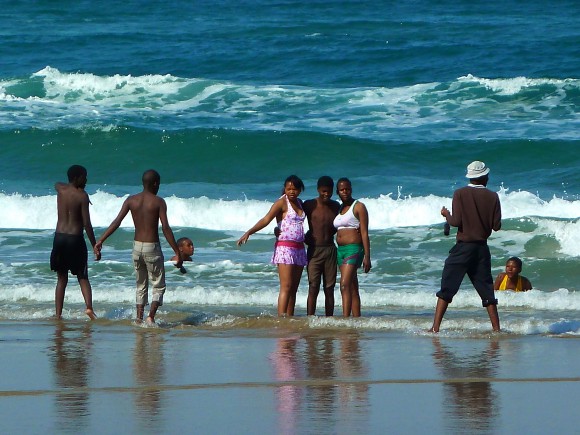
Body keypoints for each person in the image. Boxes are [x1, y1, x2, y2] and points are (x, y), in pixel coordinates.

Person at [94, 169, 182, 325]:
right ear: (155, 183)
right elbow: (166, 228)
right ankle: (151, 317)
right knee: (158, 285)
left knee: (141, 285)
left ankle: (139, 318)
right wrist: (177, 251)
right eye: (158, 184)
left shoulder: (131, 200)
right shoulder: (158, 202)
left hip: (136, 248)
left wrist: (101, 240)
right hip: (152, 247)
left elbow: (116, 222)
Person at [429, 161, 502, 333]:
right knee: (486, 291)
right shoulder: (493, 196)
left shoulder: (460, 193)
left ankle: (435, 327)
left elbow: (456, 222)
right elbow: (496, 226)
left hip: (463, 248)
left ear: (470, 177)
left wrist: (446, 214)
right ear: (484, 177)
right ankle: (496, 329)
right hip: (482, 249)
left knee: (447, 288)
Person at [237, 175, 307, 316]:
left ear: (300, 190)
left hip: (299, 249)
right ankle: (281, 319)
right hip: (285, 249)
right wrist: (249, 232)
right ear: (285, 189)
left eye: (294, 189)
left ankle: (290, 317)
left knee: (294, 288)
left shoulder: (300, 203)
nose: (291, 191)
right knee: (286, 286)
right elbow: (266, 219)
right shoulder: (281, 203)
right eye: (289, 189)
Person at [50, 165, 99, 320]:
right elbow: (87, 224)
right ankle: (89, 308)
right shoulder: (82, 196)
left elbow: (56, 184)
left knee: (61, 278)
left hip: (59, 238)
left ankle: (58, 314)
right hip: (75, 239)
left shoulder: (61, 189)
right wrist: (94, 245)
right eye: (84, 177)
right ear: (77, 177)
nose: (86, 180)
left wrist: (65, 185)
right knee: (82, 276)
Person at [302, 176, 340, 316]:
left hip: (330, 249)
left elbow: (343, 223)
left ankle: (329, 318)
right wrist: (304, 236)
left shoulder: (336, 206)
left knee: (329, 288)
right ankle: (310, 318)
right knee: (313, 286)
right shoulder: (309, 205)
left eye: (329, 191)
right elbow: (294, 217)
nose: (326, 194)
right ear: (318, 190)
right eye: (323, 191)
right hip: (314, 251)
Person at [333, 177, 371, 317]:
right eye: (342, 189)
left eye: (347, 189)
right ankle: (356, 319)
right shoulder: (340, 208)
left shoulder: (359, 206)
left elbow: (365, 233)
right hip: (340, 250)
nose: (345, 191)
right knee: (353, 287)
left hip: (354, 248)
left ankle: (345, 319)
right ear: (337, 191)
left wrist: (367, 256)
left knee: (344, 284)